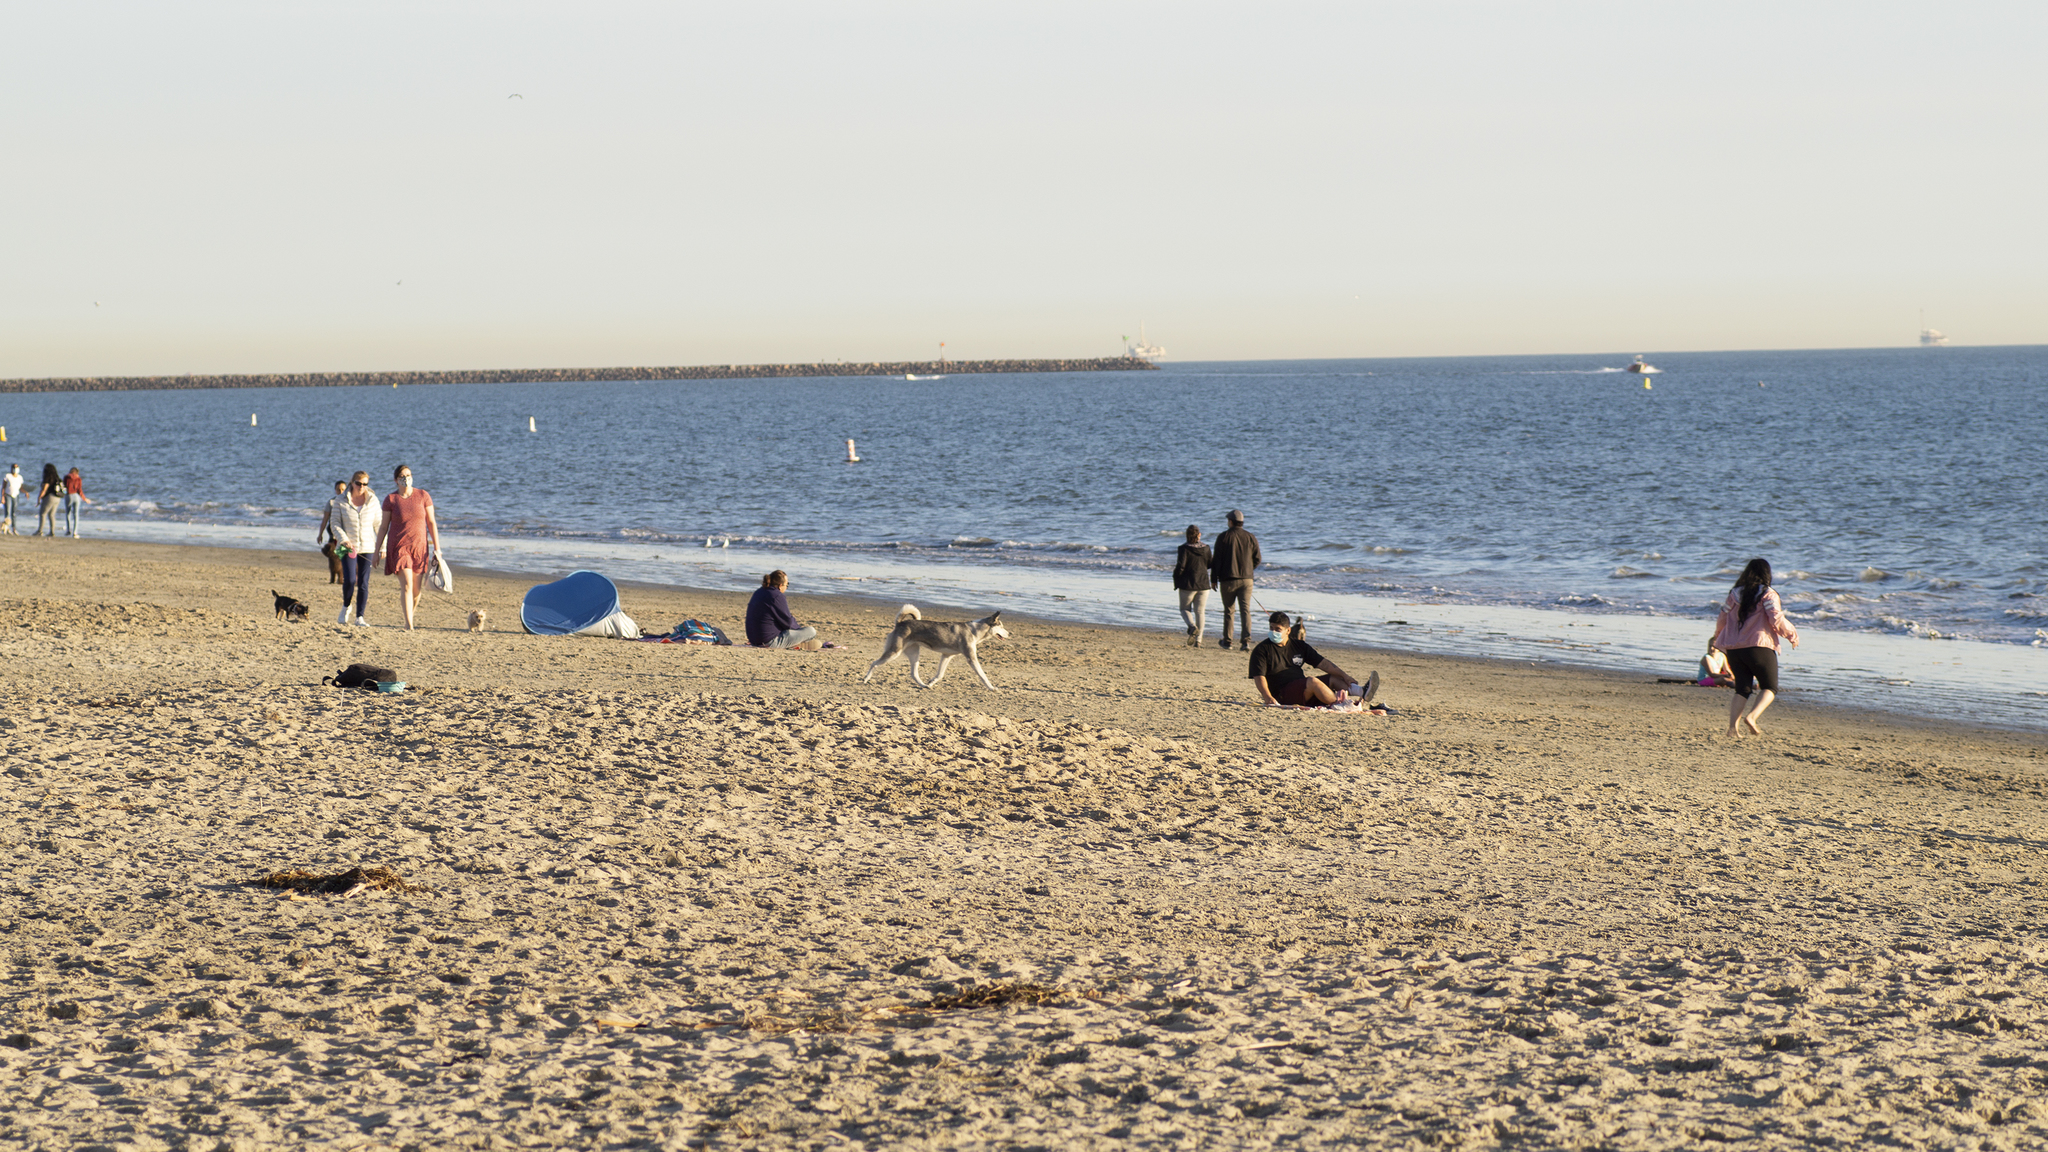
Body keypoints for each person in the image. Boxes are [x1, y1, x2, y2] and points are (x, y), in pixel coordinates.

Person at [1713, 557, 1800, 737]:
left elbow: (1722, 617)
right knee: (1770, 687)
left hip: (1734, 649)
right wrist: (1791, 634)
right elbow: (1775, 617)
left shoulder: (1735, 594)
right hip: (1759, 646)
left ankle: (1732, 729)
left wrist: (1718, 636)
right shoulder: (1768, 593)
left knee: (1742, 689)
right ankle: (1752, 717)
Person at [373, 464, 440, 632]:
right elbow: (383, 527)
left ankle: (410, 615)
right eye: (402, 476)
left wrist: (437, 549)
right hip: (398, 547)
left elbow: (431, 523)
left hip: (419, 546)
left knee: (416, 590)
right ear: (396, 480)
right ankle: (409, 624)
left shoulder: (423, 496)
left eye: (408, 475)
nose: (406, 478)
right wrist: (376, 551)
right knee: (407, 585)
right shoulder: (391, 499)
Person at [326, 472, 381, 627]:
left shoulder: (373, 501)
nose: (361, 487)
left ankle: (360, 617)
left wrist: (382, 547)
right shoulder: (340, 500)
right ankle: (346, 606)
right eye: (358, 483)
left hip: (368, 547)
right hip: (347, 547)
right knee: (349, 580)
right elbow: (334, 523)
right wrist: (344, 539)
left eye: (365, 484)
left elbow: (380, 525)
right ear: (352, 482)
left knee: (363, 582)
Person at [1285, 617, 1379, 706]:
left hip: (1299, 685)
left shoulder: (1300, 646)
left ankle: (1361, 691)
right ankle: (1342, 703)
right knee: (1312, 682)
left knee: (1333, 678)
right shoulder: (1271, 648)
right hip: (1285, 692)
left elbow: (1323, 664)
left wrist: (1345, 676)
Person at [1210, 509, 1262, 650]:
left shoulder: (1223, 537)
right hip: (1247, 579)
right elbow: (1258, 558)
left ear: (1231, 522)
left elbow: (1217, 561)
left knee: (1229, 610)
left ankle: (1228, 641)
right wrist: (1249, 570)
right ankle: (1246, 641)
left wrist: (1214, 578)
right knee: (1245, 610)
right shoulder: (1251, 537)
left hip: (1228, 579)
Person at [745, 570, 820, 649]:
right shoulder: (777, 596)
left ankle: (796, 642)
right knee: (811, 631)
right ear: (780, 585)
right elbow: (788, 623)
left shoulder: (759, 592)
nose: (786, 587)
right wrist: (799, 630)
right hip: (769, 642)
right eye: (787, 585)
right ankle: (796, 644)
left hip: (754, 639)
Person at [1172, 524, 1213, 647]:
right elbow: (1210, 564)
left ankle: (1191, 626)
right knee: (1200, 612)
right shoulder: (1206, 548)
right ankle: (1199, 640)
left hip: (1188, 583)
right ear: (1199, 535)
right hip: (1204, 583)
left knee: (1184, 609)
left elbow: (1181, 566)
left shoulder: (1183, 548)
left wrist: (1177, 578)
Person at [34, 464, 61, 537]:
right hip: (57, 498)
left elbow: (44, 489)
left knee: (43, 513)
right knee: (52, 515)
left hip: (50, 497)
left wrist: (39, 498)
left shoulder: (48, 477)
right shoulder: (57, 478)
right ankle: (52, 532)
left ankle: (40, 530)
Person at [62, 467, 89, 537]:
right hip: (76, 496)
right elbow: (79, 490)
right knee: (76, 514)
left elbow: (63, 487)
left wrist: (65, 494)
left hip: (68, 495)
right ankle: (75, 532)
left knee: (68, 513)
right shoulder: (78, 478)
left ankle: (68, 530)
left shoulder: (66, 477)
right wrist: (84, 498)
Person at [1, 464, 21, 535]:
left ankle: (14, 528)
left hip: (16, 495)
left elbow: (21, 487)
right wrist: (2, 497)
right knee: (8, 513)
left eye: (17, 467)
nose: (15, 469)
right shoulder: (8, 476)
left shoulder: (19, 477)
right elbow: (3, 487)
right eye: (14, 467)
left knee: (14, 513)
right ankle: (6, 528)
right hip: (8, 495)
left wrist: (26, 492)